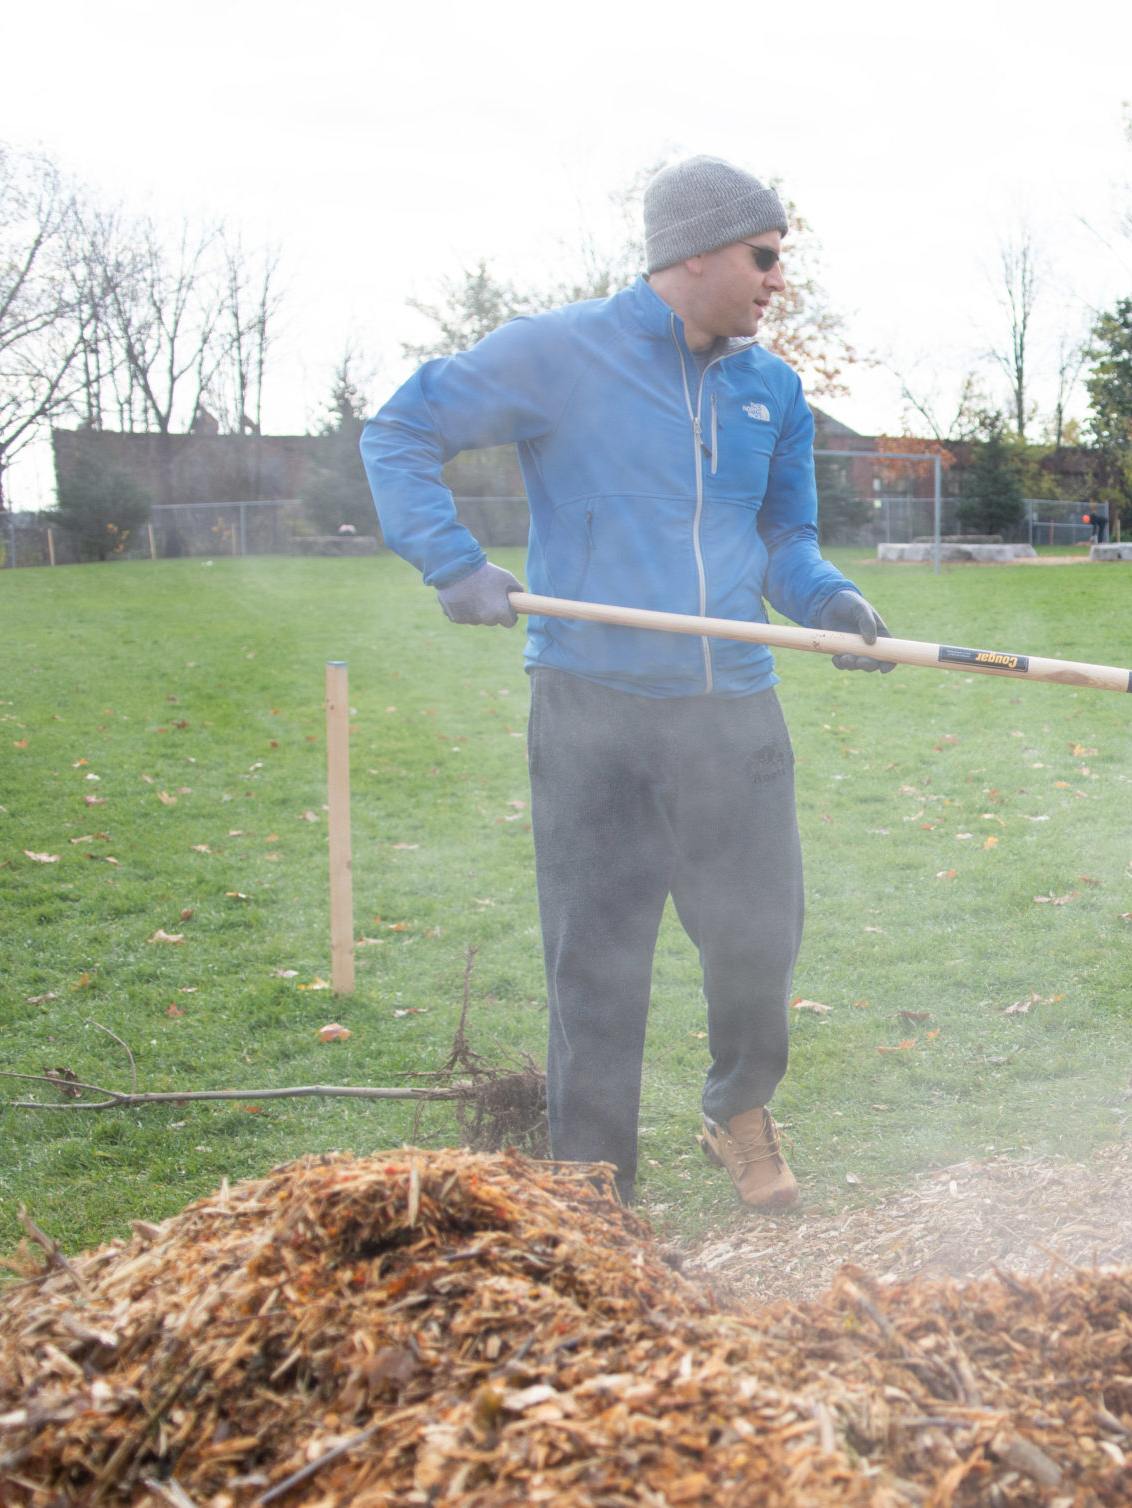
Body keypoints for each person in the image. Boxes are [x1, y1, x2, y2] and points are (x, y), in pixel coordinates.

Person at [363, 155, 895, 1217]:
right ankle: (591, 1196)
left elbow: (782, 540)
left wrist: (828, 603)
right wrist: (453, 562)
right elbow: (399, 431)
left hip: (734, 710)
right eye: (765, 256)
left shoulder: (772, 390)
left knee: (757, 940)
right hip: (590, 709)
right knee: (597, 968)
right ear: (692, 251)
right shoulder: (560, 354)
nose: (776, 280)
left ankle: (738, 1113)